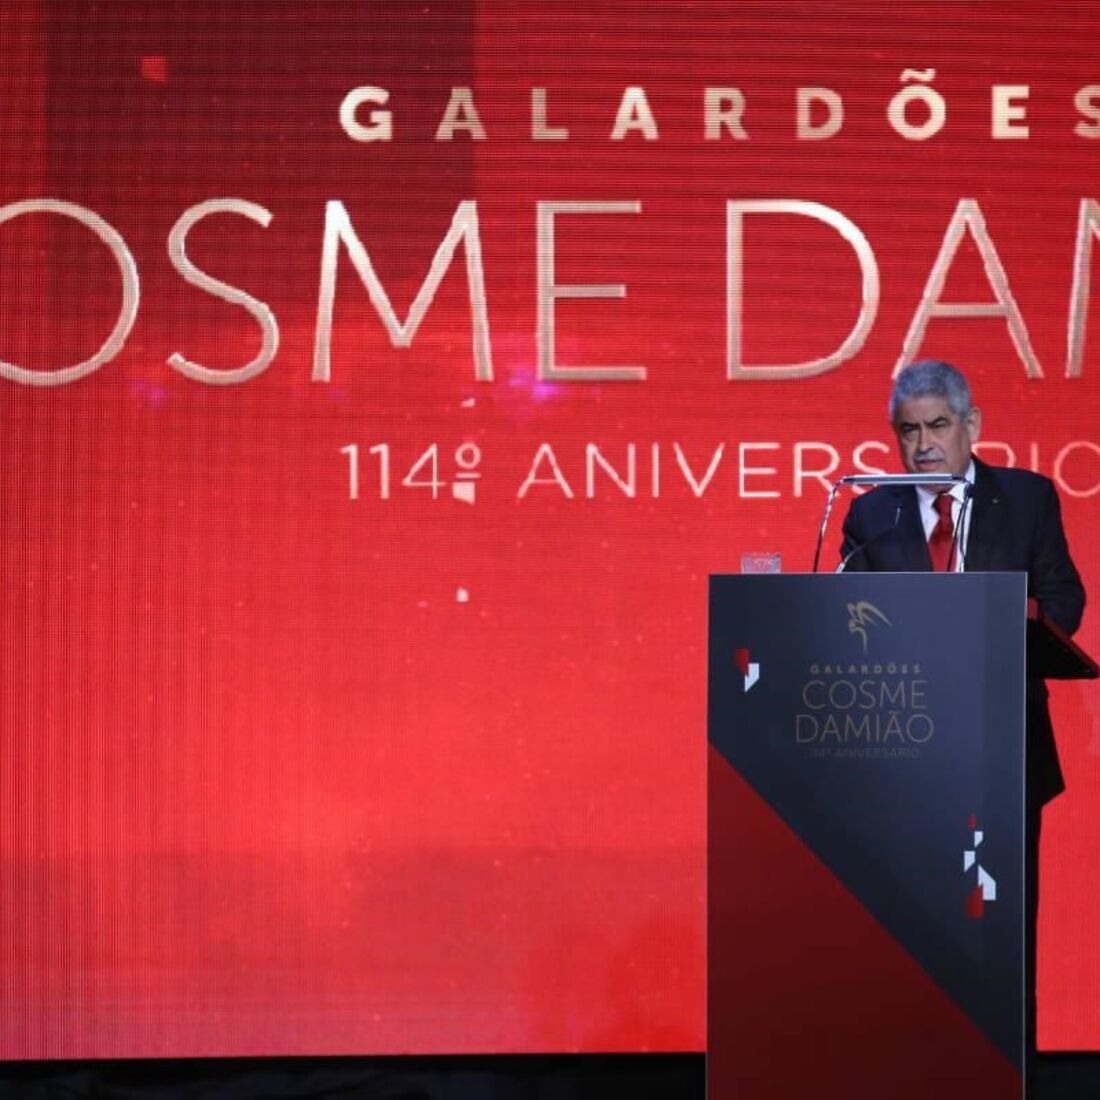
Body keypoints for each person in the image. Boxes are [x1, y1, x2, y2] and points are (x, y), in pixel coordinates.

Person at [839, 357, 1086, 1085]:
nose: (922, 446)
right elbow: (846, 621)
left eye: (937, 427)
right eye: (908, 431)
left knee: (1001, 935)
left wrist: (1003, 624)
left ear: (972, 427)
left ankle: (1010, 1074)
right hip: (903, 760)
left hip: (1003, 752)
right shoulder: (870, 511)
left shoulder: (1028, 498)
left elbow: (1064, 601)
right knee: (918, 931)